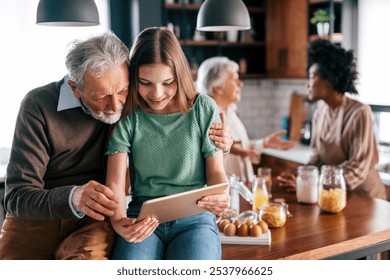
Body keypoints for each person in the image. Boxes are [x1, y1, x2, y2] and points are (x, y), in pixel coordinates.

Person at [0, 31, 232, 260]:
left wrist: (223, 144)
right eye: (101, 97)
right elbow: (16, 197)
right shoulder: (39, 105)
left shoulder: (133, 105)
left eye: (122, 91)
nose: (115, 106)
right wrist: (73, 198)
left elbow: (188, 139)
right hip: (39, 217)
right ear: (75, 88)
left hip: (95, 218)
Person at [105, 27, 229, 260]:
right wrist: (119, 221)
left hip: (196, 218)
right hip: (142, 216)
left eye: (167, 82)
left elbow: (216, 173)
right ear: (133, 79)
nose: (157, 94)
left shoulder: (203, 108)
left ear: (180, 76)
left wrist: (222, 194)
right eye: (145, 82)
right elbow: (116, 182)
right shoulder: (129, 116)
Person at [277, 39, 386, 200]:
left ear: (330, 79)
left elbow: (357, 168)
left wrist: (313, 184)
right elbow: (317, 158)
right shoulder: (320, 113)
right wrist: (301, 175)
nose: (308, 84)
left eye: (312, 77)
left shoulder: (360, 113)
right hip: (332, 196)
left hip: (364, 198)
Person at [196, 56, 295, 185]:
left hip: (241, 191)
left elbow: (239, 148)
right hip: (225, 195)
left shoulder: (230, 111)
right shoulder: (207, 119)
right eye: (234, 79)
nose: (240, 84)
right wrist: (224, 149)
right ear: (217, 88)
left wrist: (264, 143)